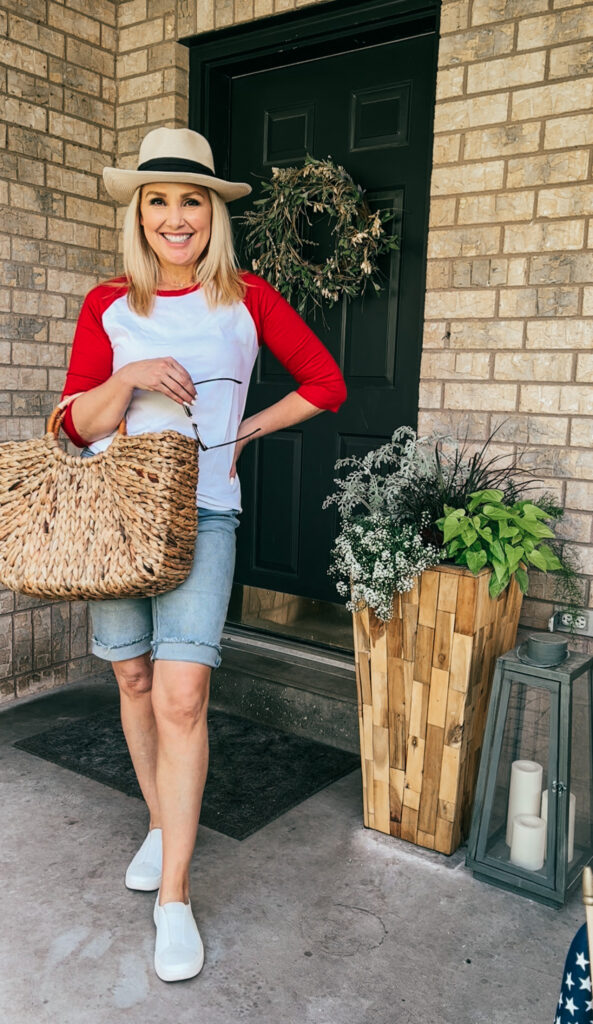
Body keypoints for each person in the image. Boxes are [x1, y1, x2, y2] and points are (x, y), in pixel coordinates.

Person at [60, 126, 347, 983]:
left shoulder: (244, 296)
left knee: (183, 694)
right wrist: (131, 376)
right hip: (116, 520)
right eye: (159, 201)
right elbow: (75, 422)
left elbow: (325, 382)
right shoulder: (106, 302)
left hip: (206, 514)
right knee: (135, 681)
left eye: (192, 201)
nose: (175, 217)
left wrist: (249, 427)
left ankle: (174, 895)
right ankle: (158, 820)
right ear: (138, 213)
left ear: (212, 214)